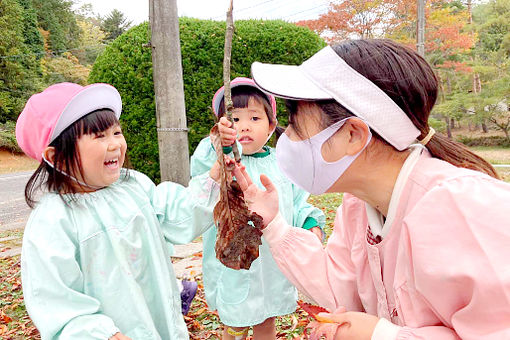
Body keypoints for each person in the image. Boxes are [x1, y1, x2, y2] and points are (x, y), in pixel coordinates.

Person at [219, 39, 510, 339]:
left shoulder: (463, 209)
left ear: (353, 135)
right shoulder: (359, 205)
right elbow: (339, 287)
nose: (286, 136)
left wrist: (382, 335)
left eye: (295, 122)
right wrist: (275, 225)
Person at [16, 82, 237, 339]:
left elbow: (177, 216)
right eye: (99, 136)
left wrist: (213, 177)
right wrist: (104, 334)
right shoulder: (54, 222)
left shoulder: (134, 185)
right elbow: (57, 301)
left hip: (161, 323)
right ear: (55, 157)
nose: (115, 145)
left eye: (116, 133)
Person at [190, 77, 325, 339]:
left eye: (254, 118)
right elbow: (202, 180)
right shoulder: (220, 161)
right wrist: (222, 147)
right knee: (236, 321)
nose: (244, 127)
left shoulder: (282, 164)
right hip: (235, 262)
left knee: (267, 317)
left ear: (272, 126)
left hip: (271, 263)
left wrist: (310, 223)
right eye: (235, 120)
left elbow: (297, 201)